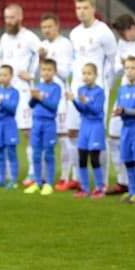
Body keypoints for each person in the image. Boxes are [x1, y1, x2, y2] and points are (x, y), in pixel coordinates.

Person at [67, 0, 117, 189]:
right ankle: (78, 178)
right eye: (78, 8)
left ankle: (102, 182)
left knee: (98, 136)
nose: (81, 11)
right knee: (73, 133)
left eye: (85, 8)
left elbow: (113, 62)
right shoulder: (74, 33)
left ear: (93, 8)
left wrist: (106, 87)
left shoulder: (104, 32)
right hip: (77, 90)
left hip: (96, 92)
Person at [0, 4, 40, 186]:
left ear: (20, 17)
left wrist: (32, 74)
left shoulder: (29, 37)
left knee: (28, 132)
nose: (9, 21)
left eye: (12, 18)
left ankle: (32, 172)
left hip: (23, 91)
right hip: (6, 92)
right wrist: (0, 74)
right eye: (6, 18)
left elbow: (42, 55)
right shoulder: (4, 38)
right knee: (3, 130)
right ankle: (4, 174)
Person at [38, 14, 79, 191]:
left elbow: (64, 72)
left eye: (49, 26)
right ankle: (45, 177)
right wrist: (41, 60)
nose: (47, 30)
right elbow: (39, 72)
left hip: (61, 96)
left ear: (57, 26)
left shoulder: (65, 44)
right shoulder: (43, 46)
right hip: (45, 95)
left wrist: (48, 61)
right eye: (44, 27)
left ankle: (67, 177)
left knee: (64, 138)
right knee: (44, 139)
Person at [106, 14, 135, 195]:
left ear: (133, 27)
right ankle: (123, 182)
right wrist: (123, 66)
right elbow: (116, 69)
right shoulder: (122, 44)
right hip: (123, 94)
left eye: (123, 33)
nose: (121, 37)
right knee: (114, 137)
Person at [68, 63, 106, 199]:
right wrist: (74, 101)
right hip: (84, 126)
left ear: (96, 75)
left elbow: (96, 110)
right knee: (82, 158)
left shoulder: (99, 92)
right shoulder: (81, 90)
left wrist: (86, 103)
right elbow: (82, 110)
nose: (86, 76)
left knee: (94, 159)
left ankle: (99, 189)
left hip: (95, 126)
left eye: (89, 73)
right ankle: (84, 188)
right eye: (84, 73)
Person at [24, 59, 61, 196]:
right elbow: (31, 105)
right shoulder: (38, 85)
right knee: (36, 154)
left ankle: (49, 184)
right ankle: (38, 182)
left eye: (49, 70)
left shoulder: (56, 88)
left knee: (49, 154)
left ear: (54, 72)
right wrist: (33, 98)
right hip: (36, 123)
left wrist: (40, 98)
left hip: (49, 123)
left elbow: (53, 106)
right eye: (44, 70)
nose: (46, 72)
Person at [112, 56, 135, 204]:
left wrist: (125, 111)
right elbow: (121, 107)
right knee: (128, 161)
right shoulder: (122, 89)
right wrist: (119, 111)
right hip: (125, 129)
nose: (129, 71)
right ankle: (131, 192)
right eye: (127, 68)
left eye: (133, 68)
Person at [0, 64, 20, 189]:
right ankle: (1, 178)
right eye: (0, 75)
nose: (2, 77)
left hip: (9, 125)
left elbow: (12, 109)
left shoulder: (14, 92)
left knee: (11, 152)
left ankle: (13, 180)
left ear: (11, 76)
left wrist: (0, 102)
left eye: (5, 75)